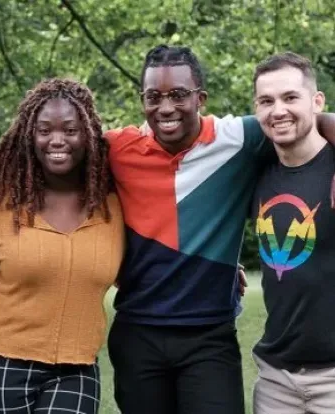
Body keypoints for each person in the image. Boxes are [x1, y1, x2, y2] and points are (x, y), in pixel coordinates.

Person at [104, 45, 335, 414]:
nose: (165, 108)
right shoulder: (116, 148)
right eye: (153, 96)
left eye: (179, 94)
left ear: (201, 98)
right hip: (138, 334)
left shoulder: (241, 137)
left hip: (210, 336)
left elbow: (307, 118)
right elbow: (47, 154)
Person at [0, 78, 124, 414]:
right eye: (44, 130)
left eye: (70, 130)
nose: (57, 140)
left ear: (88, 135)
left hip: (76, 367)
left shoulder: (113, 205)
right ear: (29, 136)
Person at [251, 52, 335, 414]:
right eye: (266, 101)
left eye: (290, 97)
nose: (278, 110)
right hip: (275, 380)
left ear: (317, 102)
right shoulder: (253, 169)